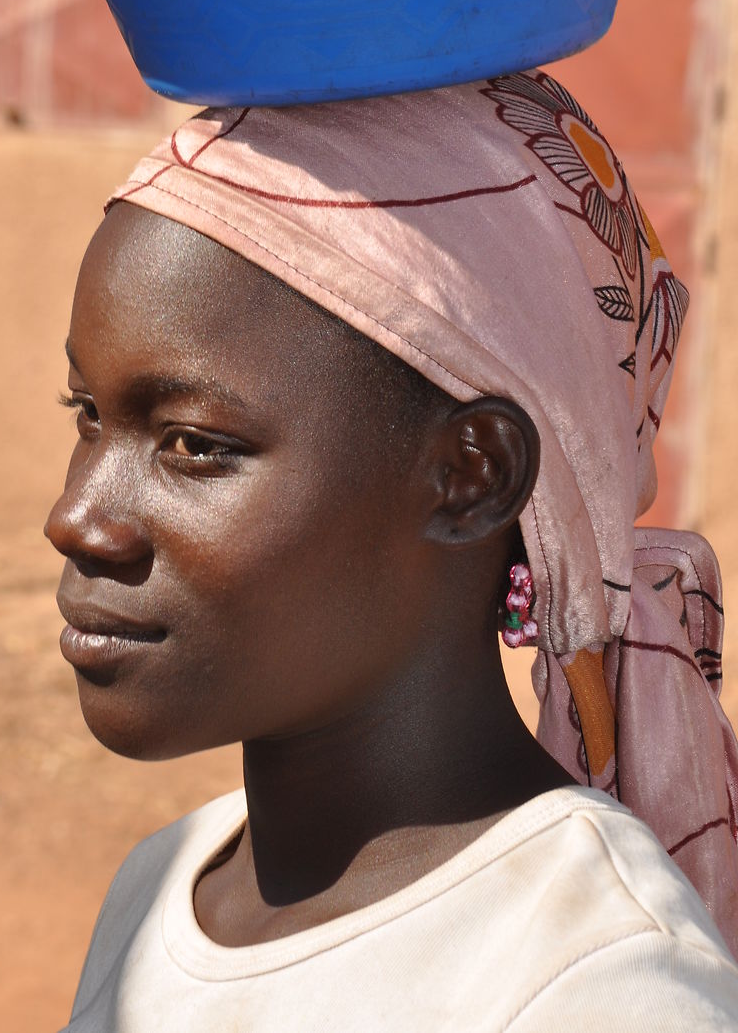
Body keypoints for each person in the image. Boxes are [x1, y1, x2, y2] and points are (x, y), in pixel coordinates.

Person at [45, 70, 738, 1030]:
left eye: (195, 445)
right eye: (87, 416)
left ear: (471, 476)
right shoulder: (162, 889)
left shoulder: (592, 983)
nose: (78, 519)